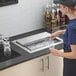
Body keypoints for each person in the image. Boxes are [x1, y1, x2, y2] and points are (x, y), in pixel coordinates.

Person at [50, 0, 76, 76]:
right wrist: (60, 32)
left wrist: (57, 53)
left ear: (66, 8)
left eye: (60, 7)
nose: (60, 9)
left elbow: (75, 54)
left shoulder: (71, 27)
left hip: (72, 66)